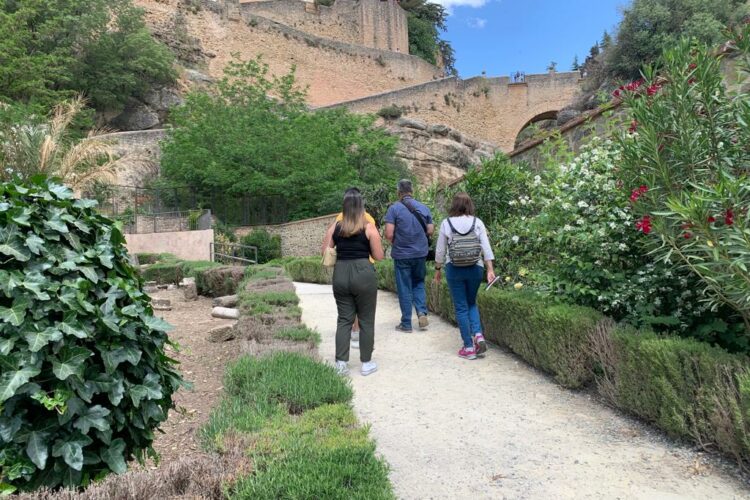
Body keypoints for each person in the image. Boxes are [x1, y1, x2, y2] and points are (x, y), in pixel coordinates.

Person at [322, 190, 384, 376]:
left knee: (344, 319)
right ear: (361, 206)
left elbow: (325, 251)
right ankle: (366, 363)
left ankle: (341, 363)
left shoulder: (336, 227)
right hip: (363, 273)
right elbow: (379, 256)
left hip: (340, 272)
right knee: (366, 320)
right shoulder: (369, 227)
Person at [433, 192, 496, 360]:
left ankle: (468, 347)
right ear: (470, 205)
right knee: (471, 303)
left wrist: (437, 268)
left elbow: (440, 250)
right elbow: (486, 248)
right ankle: (478, 335)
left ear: (454, 205)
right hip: (475, 267)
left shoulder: (447, 223)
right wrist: (490, 269)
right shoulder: (478, 222)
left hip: (454, 268)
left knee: (461, 306)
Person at [384, 179, 433, 333]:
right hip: (420, 254)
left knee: (404, 287)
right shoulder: (424, 208)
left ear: (399, 192)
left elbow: (389, 234)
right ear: (412, 191)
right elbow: (430, 230)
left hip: (402, 254)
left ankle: (406, 323)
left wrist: (397, 242)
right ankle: (421, 313)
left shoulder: (394, 209)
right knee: (418, 283)